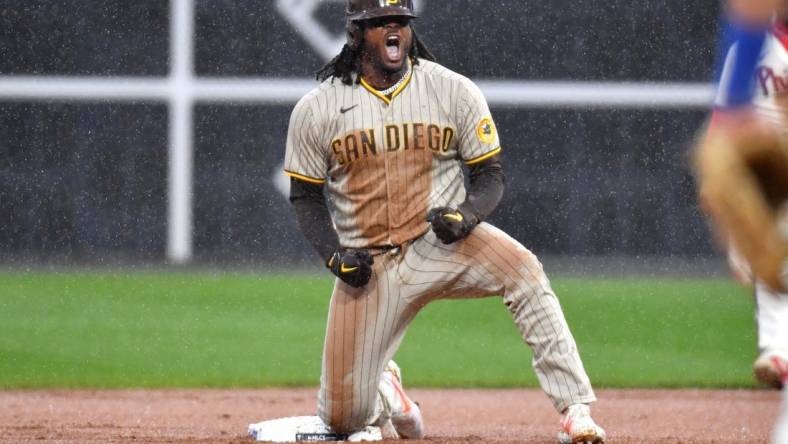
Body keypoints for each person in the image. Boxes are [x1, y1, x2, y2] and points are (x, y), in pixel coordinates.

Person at [284, 0, 606, 442]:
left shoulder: (451, 90)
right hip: (369, 266)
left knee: (524, 270)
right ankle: (386, 390)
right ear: (356, 33)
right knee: (342, 419)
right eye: (380, 23)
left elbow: (489, 174)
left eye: (400, 21)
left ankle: (576, 411)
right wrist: (332, 255)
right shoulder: (317, 108)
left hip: (439, 244)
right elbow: (305, 195)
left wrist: (467, 214)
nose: (393, 30)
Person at [706, 0, 788, 391]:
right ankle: (777, 351)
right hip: (769, 165)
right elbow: (728, 111)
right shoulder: (753, 43)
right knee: (774, 258)